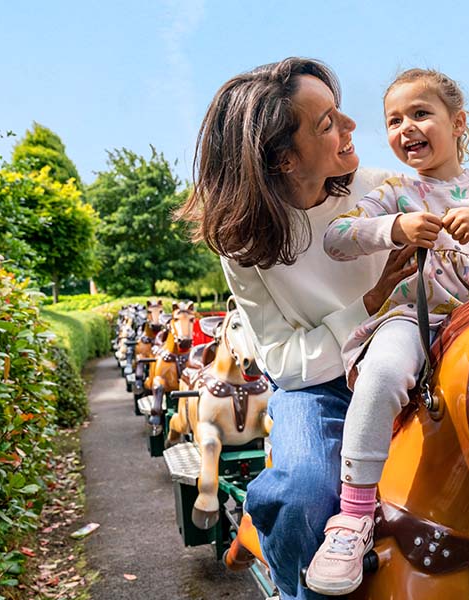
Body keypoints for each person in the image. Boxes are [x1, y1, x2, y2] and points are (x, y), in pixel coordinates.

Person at [305, 68, 469, 595]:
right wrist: (392, 228)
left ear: (458, 122)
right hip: (416, 318)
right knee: (381, 374)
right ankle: (353, 518)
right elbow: (337, 237)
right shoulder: (395, 190)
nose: (407, 128)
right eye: (394, 120)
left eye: (421, 114)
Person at [177, 57, 408, 600]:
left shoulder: (383, 192)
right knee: (302, 493)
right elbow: (285, 365)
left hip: (411, 356)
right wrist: (371, 302)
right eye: (327, 122)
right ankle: (295, 589)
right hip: (321, 387)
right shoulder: (245, 243)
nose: (351, 126)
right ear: (283, 159)